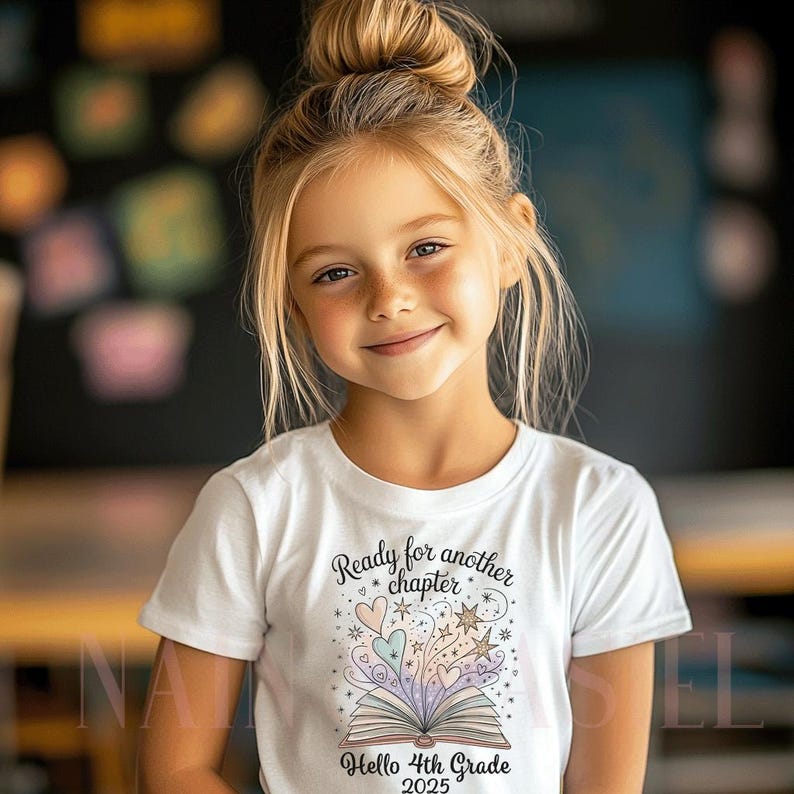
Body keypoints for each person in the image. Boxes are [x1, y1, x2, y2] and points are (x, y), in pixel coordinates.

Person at [136, 0, 693, 791]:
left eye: (426, 247)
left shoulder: (600, 508)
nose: (389, 297)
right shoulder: (253, 510)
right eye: (335, 271)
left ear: (510, 241)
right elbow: (174, 771)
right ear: (293, 303)